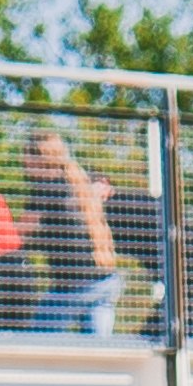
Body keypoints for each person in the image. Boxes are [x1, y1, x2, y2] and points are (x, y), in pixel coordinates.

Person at [20, 118, 124, 336]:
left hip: (74, 286)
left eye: (26, 160)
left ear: (39, 160)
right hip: (106, 280)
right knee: (98, 352)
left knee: (33, 345)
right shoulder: (79, 182)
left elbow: (18, 233)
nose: (24, 167)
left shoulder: (44, 190)